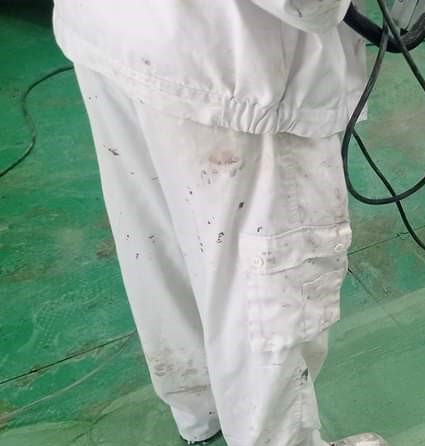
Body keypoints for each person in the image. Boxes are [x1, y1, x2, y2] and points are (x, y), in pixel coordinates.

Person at [52, 1, 383, 445]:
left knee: (162, 240)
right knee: (266, 281)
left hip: (111, 28)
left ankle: (200, 410)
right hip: (235, 68)